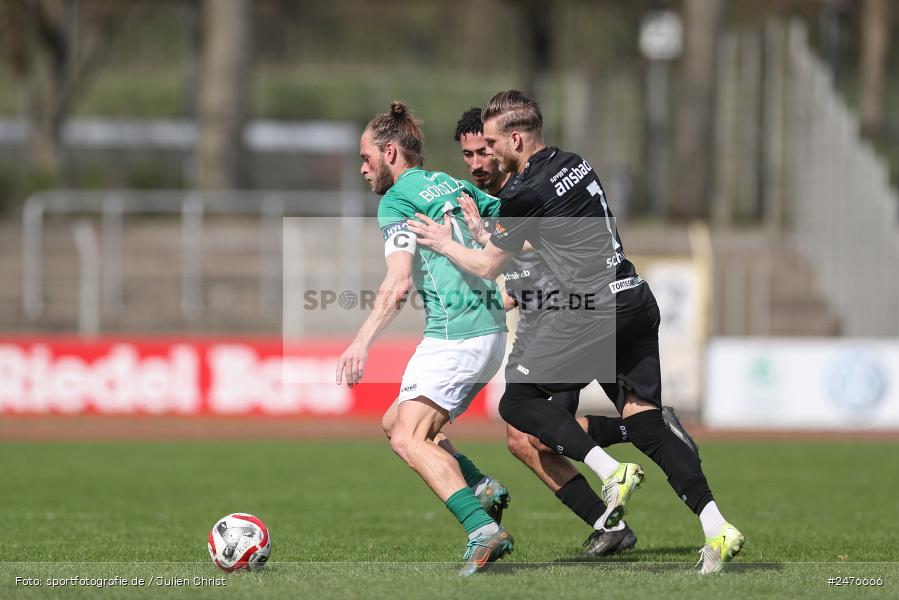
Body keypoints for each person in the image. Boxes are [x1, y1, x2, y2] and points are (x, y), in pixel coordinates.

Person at [409, 91, 744, 574]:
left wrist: (445, 242)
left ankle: (611, 471)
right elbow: (547, 236)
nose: (489, 153)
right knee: (647, 423)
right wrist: (488, 235)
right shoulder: (575, 163)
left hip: (592, 311)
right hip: (634, 297)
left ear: (516, 139)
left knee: (518, 403)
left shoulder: (522, 191)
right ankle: (718, 527)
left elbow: (488, 266)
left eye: (494, 143)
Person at [336, 101, 513, 576]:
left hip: (456, 335)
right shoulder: (454, 184)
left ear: (390, 152)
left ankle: (481, 528)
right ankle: (479, 486)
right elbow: (517, 222)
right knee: (395, 421)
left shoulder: (396, 200)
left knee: (408, 438)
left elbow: (398, 284)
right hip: (491, 331)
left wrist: (360, 342)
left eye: (366, 158)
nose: (362, 168)